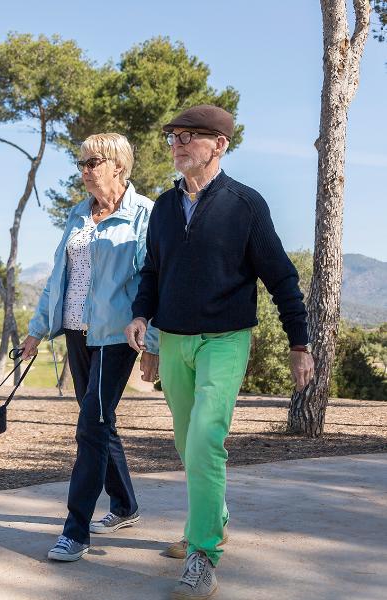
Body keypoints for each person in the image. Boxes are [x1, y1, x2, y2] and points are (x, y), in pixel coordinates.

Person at [125, 105, 315, 599]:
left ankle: (202, 553)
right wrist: (144, 321)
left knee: (206, 440)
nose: (178, 144)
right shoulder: (165, 208)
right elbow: (152, 274)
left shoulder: (245, 205)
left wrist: (300, 342)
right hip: (175, 342)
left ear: (220, 145)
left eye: (190, 136)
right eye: (173, 137)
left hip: (226, 340)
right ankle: (214, 518)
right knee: (187, 445)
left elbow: (281, 278)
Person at [21, 133, 160, 562]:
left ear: (118, 165)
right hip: (77, 333)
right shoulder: (79, 214)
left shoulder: (145, 215)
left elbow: (155, 281)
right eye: (80, 163)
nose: (83, 171)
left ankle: (75, 531)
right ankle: (125, 505)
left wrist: (151, 342)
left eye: (91, 163)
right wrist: (36, 330)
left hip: (119, 335)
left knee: (90, 427)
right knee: (99, 423)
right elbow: (58, 278)